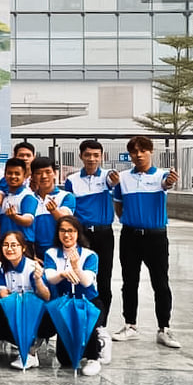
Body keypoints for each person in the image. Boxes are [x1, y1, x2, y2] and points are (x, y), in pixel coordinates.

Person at [111, 135, 181, 349]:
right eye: (134, 151)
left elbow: (167, 183)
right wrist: (129, 220)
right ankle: (130, 325)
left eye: (143, 150)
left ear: (151, 152)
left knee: (160, 283)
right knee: (129, 282)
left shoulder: (161, 175)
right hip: (130, 236)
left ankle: (164, 328)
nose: (139, 155)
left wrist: (170, 181)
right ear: (130, 154)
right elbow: (118, 205)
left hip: (155, 237)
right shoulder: (123, 178)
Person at [64, 139, 116, 360]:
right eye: (88, 155)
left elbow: (115, 186)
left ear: (102, 157)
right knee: (78, 277)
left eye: (96, 155)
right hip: (82, 234)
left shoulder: (109, 178)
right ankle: (77, 321)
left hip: (104, 234)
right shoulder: (72, 180)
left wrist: (113, 181)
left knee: (103, 280)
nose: (92, 159)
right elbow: (69, 209)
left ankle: (100, 326)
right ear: (81, 156)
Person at [43, 216, 104, 376]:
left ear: (78, 233)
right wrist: (62, 274)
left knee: (87, 320)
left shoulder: (89, 255)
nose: (67, 235)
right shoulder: (51, 253)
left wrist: (76, 267)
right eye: (62, 230)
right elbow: (50, 277)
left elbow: (87, 282)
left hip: (88, 301)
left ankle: (94, 356)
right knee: (65, 359)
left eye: (71, 231)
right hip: (65, 303)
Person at [0, 230, 52, 370]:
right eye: (5, 245)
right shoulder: (2, 267)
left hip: (35, 312)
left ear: (23, 248)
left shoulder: (32, 267)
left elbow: (46, 296)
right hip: (15, 309)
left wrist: (38, 280)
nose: (9, 249)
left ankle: (31, 353)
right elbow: (3, 294)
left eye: (14, 245)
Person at [0, 158, 38, 261]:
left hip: (23, 245)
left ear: (24, 176)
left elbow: (28, 220)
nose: (13, 176)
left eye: (17, 174)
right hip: (4, 244)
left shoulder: (28, 196)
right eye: (10, 173)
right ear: (5, 175)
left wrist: (14, 217)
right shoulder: (4, 197)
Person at [31, 157, 75, 257]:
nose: (44, 176)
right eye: (38, 173)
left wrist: (54, 211)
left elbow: (65, 220)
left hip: (60, 251)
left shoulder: (66, 196)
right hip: (36, 253)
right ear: (32, 176)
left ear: (55, 173)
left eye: (48, 172)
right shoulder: (28, 198)